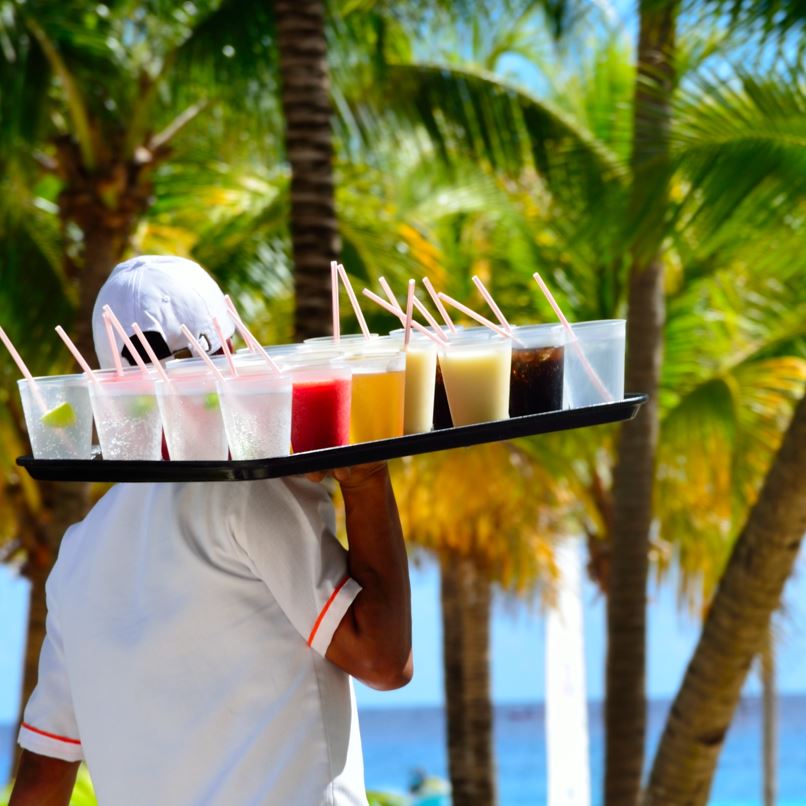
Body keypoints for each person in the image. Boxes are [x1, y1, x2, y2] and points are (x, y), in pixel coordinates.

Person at [9, 255, 412, 806]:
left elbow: (40, 782)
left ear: (112, 385)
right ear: (231, 347)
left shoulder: (81, 551)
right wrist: (366, 478)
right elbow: (383, 660)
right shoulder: (253, 487)